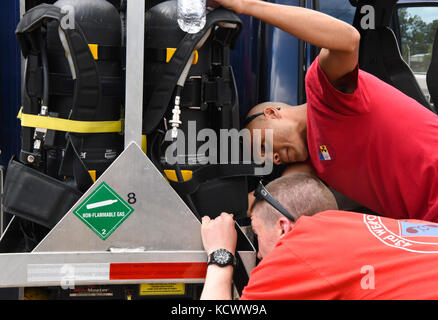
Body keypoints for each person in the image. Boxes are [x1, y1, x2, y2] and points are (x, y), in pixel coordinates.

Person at [212, 0, 438, 222]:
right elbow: (274, 198)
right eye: (266, 159)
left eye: (264, 144)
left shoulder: (325, 92)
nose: (274, 158)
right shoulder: (316, 164)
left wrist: (245, 5)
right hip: (428, 228)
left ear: (272, 113)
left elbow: (348, 39)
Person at [200, 173, 438, 300]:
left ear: (284, 228)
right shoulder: (397, 228)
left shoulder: (300, 246)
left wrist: (220, 254)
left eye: (257, 234)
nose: (259, 254)